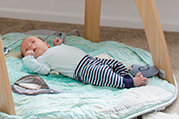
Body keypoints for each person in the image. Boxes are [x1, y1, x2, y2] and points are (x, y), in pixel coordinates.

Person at [19, 35, 156, 88]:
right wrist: (29, 59)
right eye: (26, 49)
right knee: (103, 73)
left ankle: (125, 76)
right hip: (82, 71)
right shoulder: (41, 60)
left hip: (89, 59)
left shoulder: (54, 49)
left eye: (33, 42)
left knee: (115, 64)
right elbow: (43, 70)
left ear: (46, 44)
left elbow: (64, 52)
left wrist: (58, 44)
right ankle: (129, 83)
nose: (30, 46)